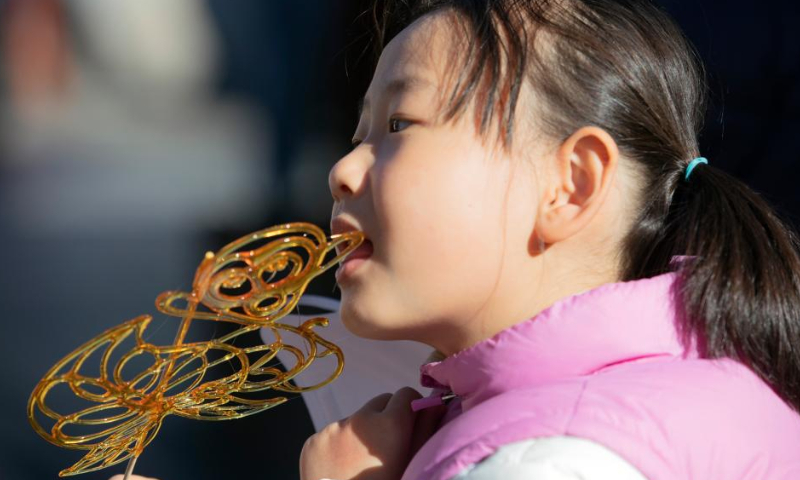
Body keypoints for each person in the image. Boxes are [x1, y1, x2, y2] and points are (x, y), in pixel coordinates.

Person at [117, 1, 800, 479]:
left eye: (400, 126)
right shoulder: (658, 389)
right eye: (357, 136)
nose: (342, 170)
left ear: (571, 184)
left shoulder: (555, 461)